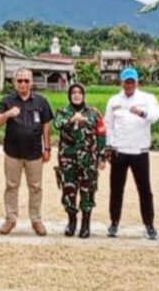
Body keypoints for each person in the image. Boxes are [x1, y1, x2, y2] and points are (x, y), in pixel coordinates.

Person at [104, 67, 159, 239]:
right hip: (119, 150)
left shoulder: (147, 98)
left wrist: (141, 113)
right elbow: (108, 124)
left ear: (137, 82)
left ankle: (149, 225)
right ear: (121, 82)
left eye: (132, 82)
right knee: (116, 189)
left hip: (139, 150)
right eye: (126, 82)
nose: (129, 85)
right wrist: (108, 146)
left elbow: (155, 116)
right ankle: (114, 223)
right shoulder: (114, 100)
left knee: (144, 190)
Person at [0, 67, 53, 236]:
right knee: (11, 186)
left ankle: (36, 220)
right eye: (19, 80)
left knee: (36, 187)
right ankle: (10, 219)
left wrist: (47, 147)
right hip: (12, 152)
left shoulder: (41, 101)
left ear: (31, 82)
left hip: (34, 153)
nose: (23, 84)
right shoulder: (7, 100)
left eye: (26, 81)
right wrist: (8, 114)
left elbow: (46, 125)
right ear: (15, 82)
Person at [53, 83, 106, 238]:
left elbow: (101, 135)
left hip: (88, 159)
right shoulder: (62, 112)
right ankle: (72, 221)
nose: (76, 95)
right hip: (67, 158)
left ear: (83, 95)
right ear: (69, 95)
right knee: (68, 190)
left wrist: (102, 156)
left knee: (87, 190)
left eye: (79, 92)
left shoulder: (94, 113)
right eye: (73, 92)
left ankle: (85, 224)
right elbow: (57, 124)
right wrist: (71, 120)